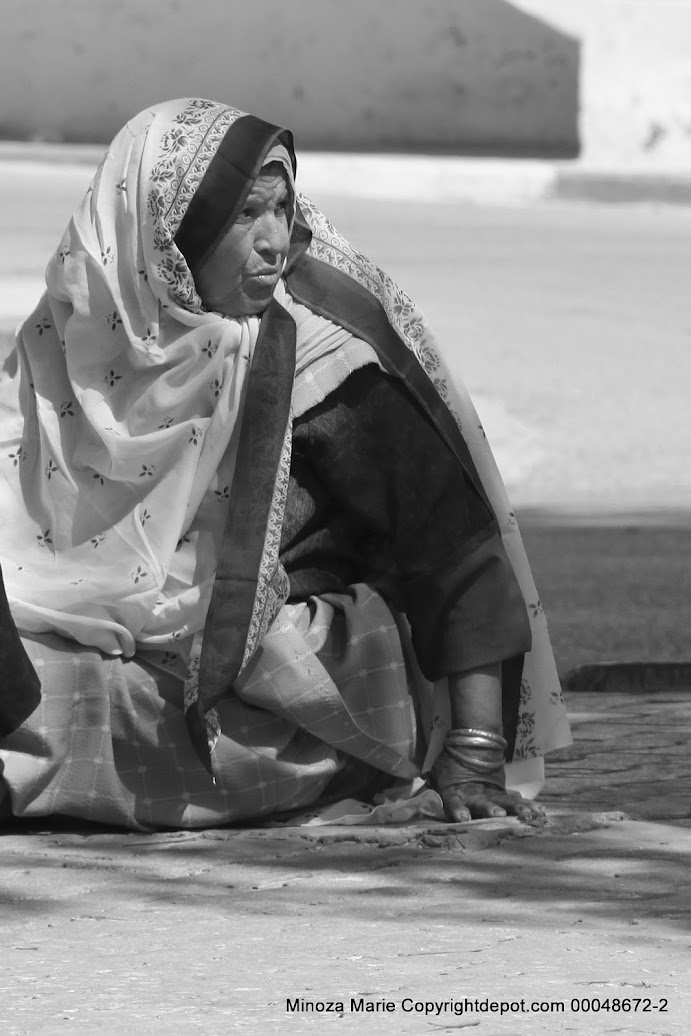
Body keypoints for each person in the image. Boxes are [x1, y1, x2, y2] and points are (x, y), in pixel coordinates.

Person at [0, 99, 570, 831]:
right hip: (120, 629)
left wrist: (475, 753)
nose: (274, 242)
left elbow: (454, 552)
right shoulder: (82, 338)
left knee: (75, 700)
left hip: (282, 687)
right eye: (245, 215)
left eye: (282, 208)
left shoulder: (322, 367)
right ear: (165, 235)